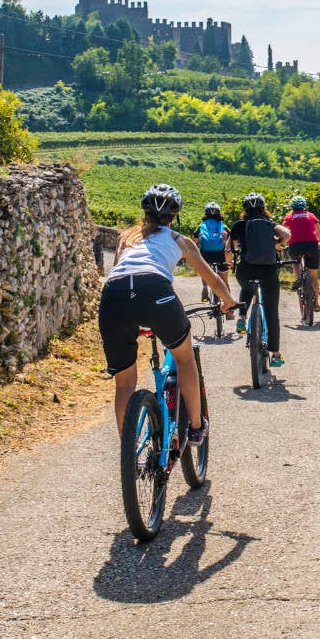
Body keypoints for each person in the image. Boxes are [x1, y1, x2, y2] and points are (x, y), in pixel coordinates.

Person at [99, 184, 237, 446]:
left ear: (144, 213)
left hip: (113, 299)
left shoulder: (126, 237)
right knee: (184, 359)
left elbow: (121, 274)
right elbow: (213, 280)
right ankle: (196, 427)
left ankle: (130, 452)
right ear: (174, 217)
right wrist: (229, 302)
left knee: (124, 382)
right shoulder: (179, 240)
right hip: (156, 294)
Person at [229, 192, 291, 368]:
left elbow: (230, 249)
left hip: (245, 270)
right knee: (272, 312)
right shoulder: (269, 224)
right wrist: (277, 243)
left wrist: (230, 262)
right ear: (264, 208)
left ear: (245, 210)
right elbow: (287, 234)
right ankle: (275, 354)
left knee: (247, 289)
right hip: (268, 272)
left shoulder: (239, 225)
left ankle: (242, 316)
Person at [283, 195, 320, 315]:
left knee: (296, 261)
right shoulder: (310, 215)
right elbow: (319, 232)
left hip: (295, 246)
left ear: (292, 207)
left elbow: (284, 233)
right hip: (312, 245)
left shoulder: (289, 217)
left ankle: (299, 279)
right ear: (304, 206)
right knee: (314, 278)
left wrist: (280, 245)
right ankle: (316, 303)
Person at [194, 202, 231, 309]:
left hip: (205, 254)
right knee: (225, 281)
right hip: (220, 255)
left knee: (205, 271)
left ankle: (205, 286)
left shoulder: (202, 225)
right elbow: (231, 236)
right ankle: (229, 309)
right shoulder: (223, 225)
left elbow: (194, 240)